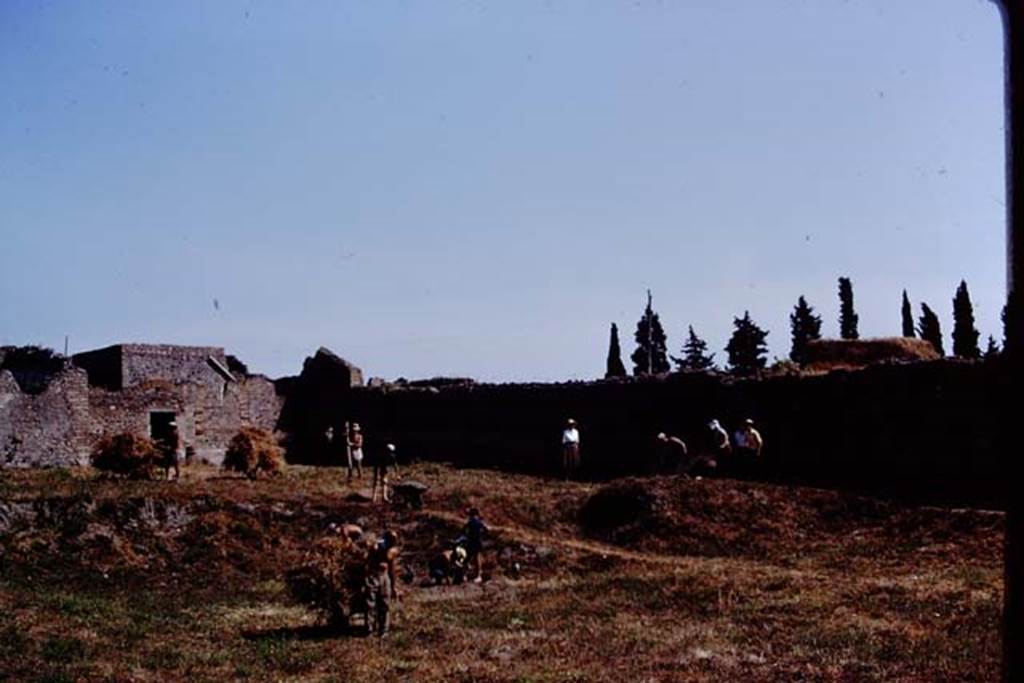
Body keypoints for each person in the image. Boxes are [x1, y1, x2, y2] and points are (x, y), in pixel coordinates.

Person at [364, 530, 401, 637]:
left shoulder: (392, 550)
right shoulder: (377, 546)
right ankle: (369, 629)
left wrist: (394, 585)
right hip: (373, 575)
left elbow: (391, 568)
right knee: (370, 603)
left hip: (384, 576)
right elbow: (368, 559)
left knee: (385, 602)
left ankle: (384, 630)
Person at [463, 507, 489, 583]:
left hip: (471, 542)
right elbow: (486, 529)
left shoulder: (471, 522)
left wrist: (466, 536)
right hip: (477, 542)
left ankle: (466, 574)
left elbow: (464, 529)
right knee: (476, 559)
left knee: (467, 559)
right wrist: (481, 535)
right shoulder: (478, 522)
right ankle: (477, 575)